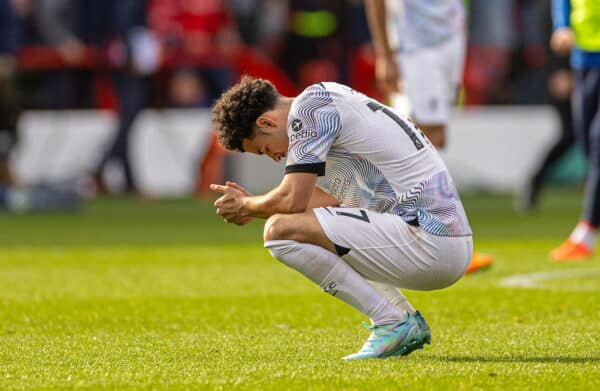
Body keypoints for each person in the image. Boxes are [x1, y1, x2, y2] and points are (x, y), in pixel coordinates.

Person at [210, 76, 473, 360]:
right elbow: (325, 206)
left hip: (429, 238)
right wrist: (257, 205)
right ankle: (403, 318)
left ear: (266, 123)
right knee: (291, 227)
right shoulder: (325, 99)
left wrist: (249, 205)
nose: (275, 157)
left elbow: (293, 199)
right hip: (442, 238)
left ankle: (391, 321)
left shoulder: (308, 111)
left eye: (264, 149)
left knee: (278, 231)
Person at [364, 0, 493, 274]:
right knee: (424, 136)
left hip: (449, 40)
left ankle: (398, 231)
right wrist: (384, 55)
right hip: (415, 46)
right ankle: (438, 238)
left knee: (435, 137)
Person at [549, 0, 600, 261]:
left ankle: (586, 232)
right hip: (583, 56)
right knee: (587, 144)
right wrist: (562, 26)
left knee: (598, 141)